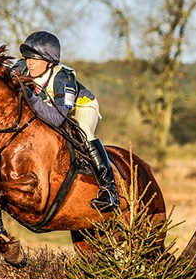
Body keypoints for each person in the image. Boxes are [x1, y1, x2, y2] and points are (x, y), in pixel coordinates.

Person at [12, 31, 119, 212]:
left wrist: (30, 96)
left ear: (49, 61)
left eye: (35, 59)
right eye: (28, 57)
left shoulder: (63, 77)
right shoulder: (21, 67)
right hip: (49, 107)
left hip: (81, 107)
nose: (30, 62)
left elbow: (57, 118)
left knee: (84, 132)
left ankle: (110, 190)